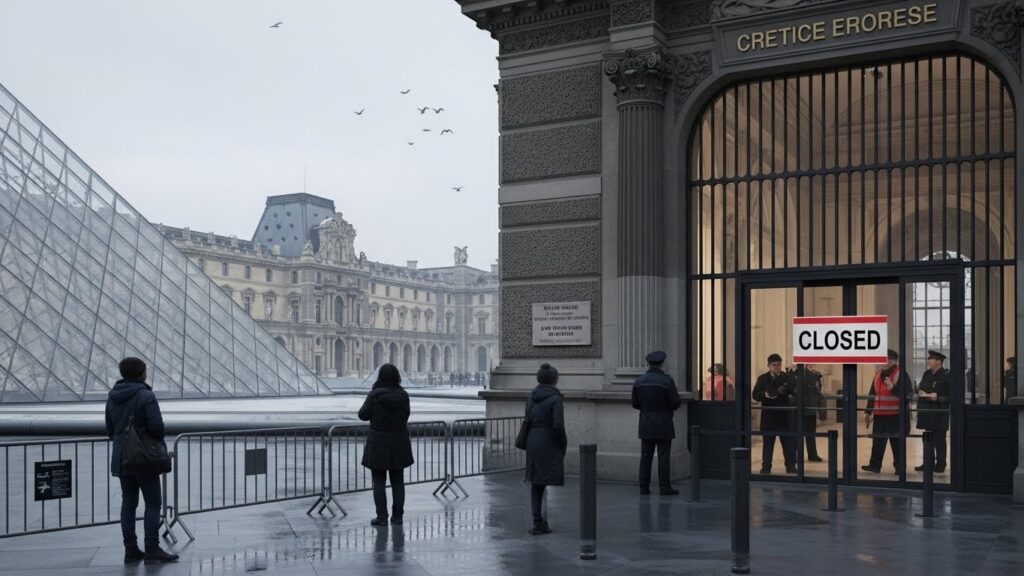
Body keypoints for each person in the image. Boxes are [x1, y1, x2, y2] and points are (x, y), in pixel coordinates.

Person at [105, 357, 179, 565]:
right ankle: (152, 548)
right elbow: (157, 428)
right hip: (143, 457)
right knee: (153, 503)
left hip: (121, 457)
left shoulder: (112, 397)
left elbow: (110, 429)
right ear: (141, 373)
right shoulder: (146, 395)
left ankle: (130, 549)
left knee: (128, 503)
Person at [358, 363, 414, 525]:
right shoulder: (404, 395)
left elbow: (362, 415)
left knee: (379, 482)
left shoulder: (374, 395)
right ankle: (398, 517)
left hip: (378, 442)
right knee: (398, 481)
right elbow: (406, 415)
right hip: (399, 441)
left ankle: (382, 517)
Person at [524, 363, 567, 535]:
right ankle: (542, 522)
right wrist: (563, 442)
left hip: (533, 440)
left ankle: (537, 521)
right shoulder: (556, 399)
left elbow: (527, 417)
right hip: (548, 440)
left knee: (536, 483)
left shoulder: (531, 397)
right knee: (545, 478)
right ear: (554, 380)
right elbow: (558, 425)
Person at [632, 351, 683, 495]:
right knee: (663, 456)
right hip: (663, 424)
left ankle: (643, 486)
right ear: (662, 363)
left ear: (649, 363)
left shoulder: (639, 381)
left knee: (646, 456)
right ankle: (664, 487)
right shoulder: (667, 381)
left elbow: (635, 403)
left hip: (646, 423)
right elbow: (675, 403)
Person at [862, 349, 911, 474]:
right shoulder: (878, 374)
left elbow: (908, 395)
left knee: (897, 443)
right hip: (879, 415)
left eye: (888, 359)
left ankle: (900, 468)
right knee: (877, 442)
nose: (885, 362)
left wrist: (893, 388)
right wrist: (868, 412)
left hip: (895, 415)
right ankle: (874, 465)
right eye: (883, 359)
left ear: (894, 361)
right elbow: (872, 394)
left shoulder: (902, 374)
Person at [753, 354, 796, 474]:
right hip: (769, 417)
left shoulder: (788, 378)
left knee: (788, 444)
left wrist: (786, 390)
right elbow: (755, 395)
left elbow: (794, 390)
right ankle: (766, 467)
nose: (777, 367)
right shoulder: (762, 378)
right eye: (774, 365)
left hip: (784, 416)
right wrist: (764, 394)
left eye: (779, 364)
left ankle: (791, 466)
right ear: (769, 366)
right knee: (768, 444)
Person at [915, 350, 951, 473]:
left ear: (939, 362)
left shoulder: (947, 376)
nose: (928, 361)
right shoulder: (927, 374)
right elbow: (921, 388)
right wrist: (920, 392)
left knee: (939, 440)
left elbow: (952, 396)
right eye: (928, 358)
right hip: (926, 412)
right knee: (927, 439)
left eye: (931, 359)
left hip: (939, 413)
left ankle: (940, 464)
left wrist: (937, 397)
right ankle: (927, 463)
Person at [793, 364, 823, 462]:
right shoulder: (794, 373)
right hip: (798, 409)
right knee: (797, 434)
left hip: (810, 408)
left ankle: (812, 454)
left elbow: (818, 390)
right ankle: (796, 455)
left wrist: (819, 406)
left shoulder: (814, 375)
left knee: (811, 434)